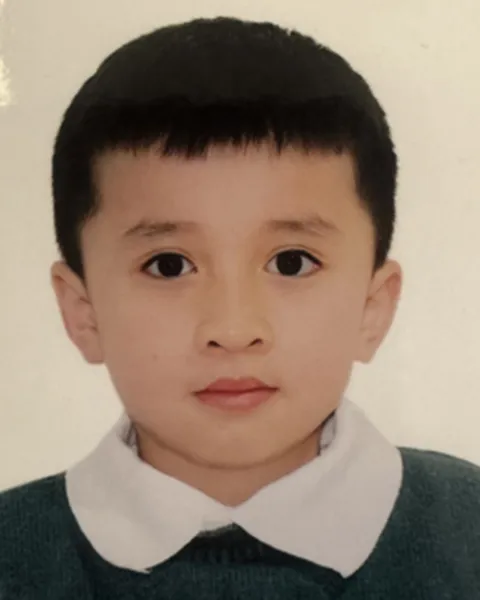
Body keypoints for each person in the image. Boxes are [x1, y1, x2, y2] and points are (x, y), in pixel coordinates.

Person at [1, 15, 479, 599]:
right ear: (83, 313)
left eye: (292, 262)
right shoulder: (15, 554)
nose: (232, 329)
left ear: (372, 308)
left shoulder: (466, 532)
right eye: (169, 265)